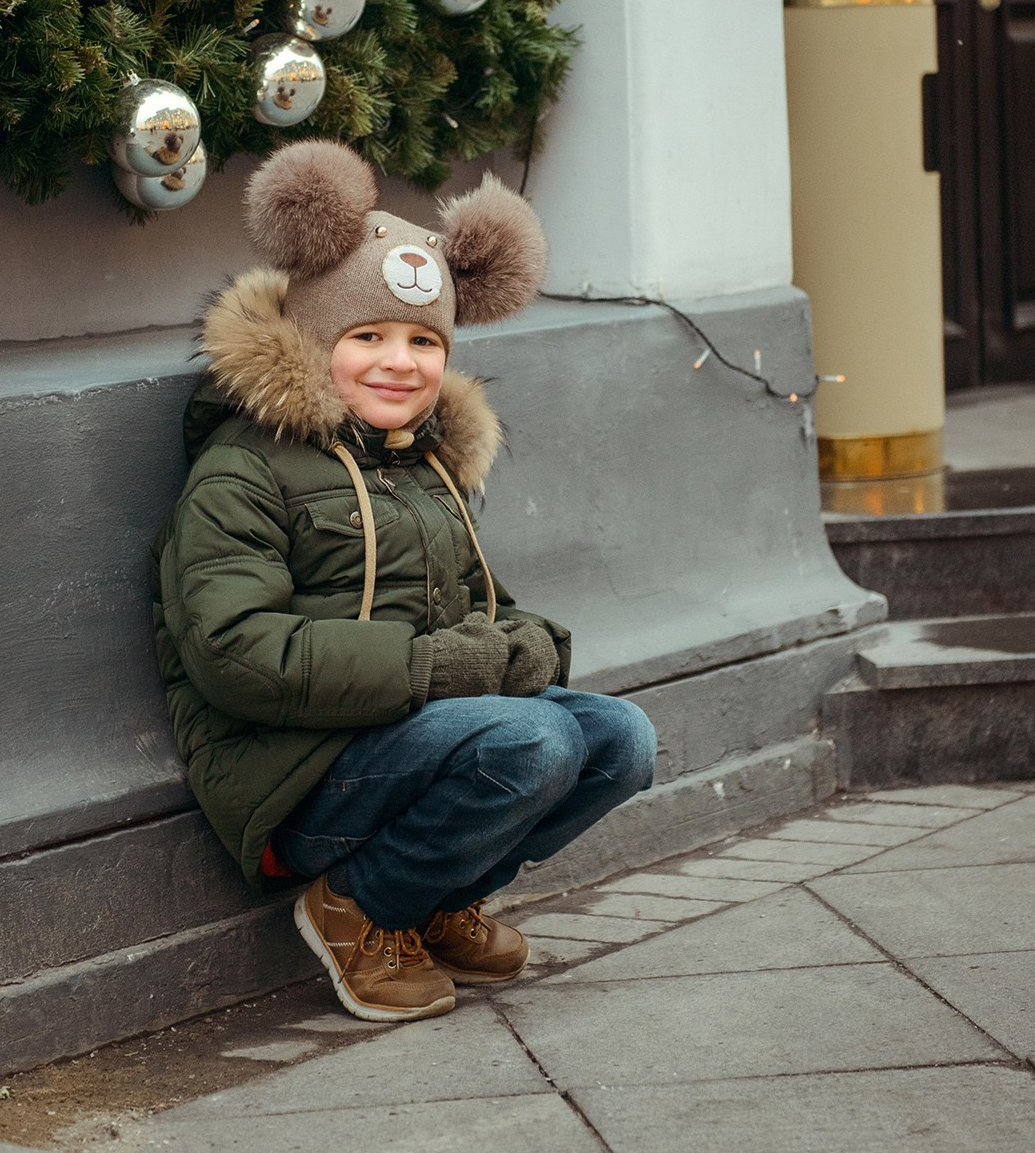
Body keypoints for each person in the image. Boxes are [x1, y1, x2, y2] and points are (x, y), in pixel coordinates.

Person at [151, 140, 657, 1023]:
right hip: (290, 770)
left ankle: (434, 895)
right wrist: (428, 669)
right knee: (526, 745)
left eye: (424, 340)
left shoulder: (419, 466)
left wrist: (534, 642)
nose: (401, 361)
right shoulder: (244, 470)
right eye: (368, 336)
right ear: (314, 340)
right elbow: (235, 651)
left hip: (404, 741)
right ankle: (362, 906)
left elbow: (477, 611)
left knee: (620, 738)